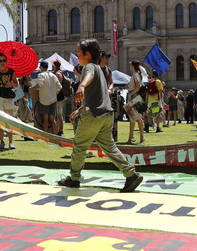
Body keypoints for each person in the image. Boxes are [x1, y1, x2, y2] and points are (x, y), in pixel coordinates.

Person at [57, 39, 143, 193]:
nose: (78, 58)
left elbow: (88, 75)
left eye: (79, 54)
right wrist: (79, 109)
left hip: (94, 115)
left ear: (87, 54)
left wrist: (82, 85)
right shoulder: (100, 70)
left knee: (79, 145)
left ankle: (74, 178)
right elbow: (99, 96)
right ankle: (131, 174)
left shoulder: (89, 67)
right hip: (106, 114)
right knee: (109, 147)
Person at [0, 52, 19, 150]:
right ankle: (1, 141)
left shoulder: (11, 71)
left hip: (9, 98)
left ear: (6, 61)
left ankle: (11, 142)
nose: (2, 62)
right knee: (0, 122)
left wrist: (12, 84)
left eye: (4, 60)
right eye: (0, 61)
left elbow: (17, 84)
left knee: (9, 121)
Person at [30, 60, 62, 134]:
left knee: (45, 119)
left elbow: (40, 85)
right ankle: (54, 135)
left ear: (41, 67)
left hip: (44, 100)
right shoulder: (53, 75)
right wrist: (55, 93)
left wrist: (31, 88)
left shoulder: (41, 75)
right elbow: (59, 87)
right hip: (53, 100)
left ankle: (46, 136)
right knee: (52, 119)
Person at [125, 61, 146, 143]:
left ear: (133, 66)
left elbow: (138, 87)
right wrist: (128, 87)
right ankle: (131, 138)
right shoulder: (135, 74)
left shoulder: (136, 74)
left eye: (131, 64)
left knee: (137, 118)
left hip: (134, 96)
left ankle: (141, 137)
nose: (129, 65)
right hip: (133, 95)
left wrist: (130, 95)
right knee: (133, 118)